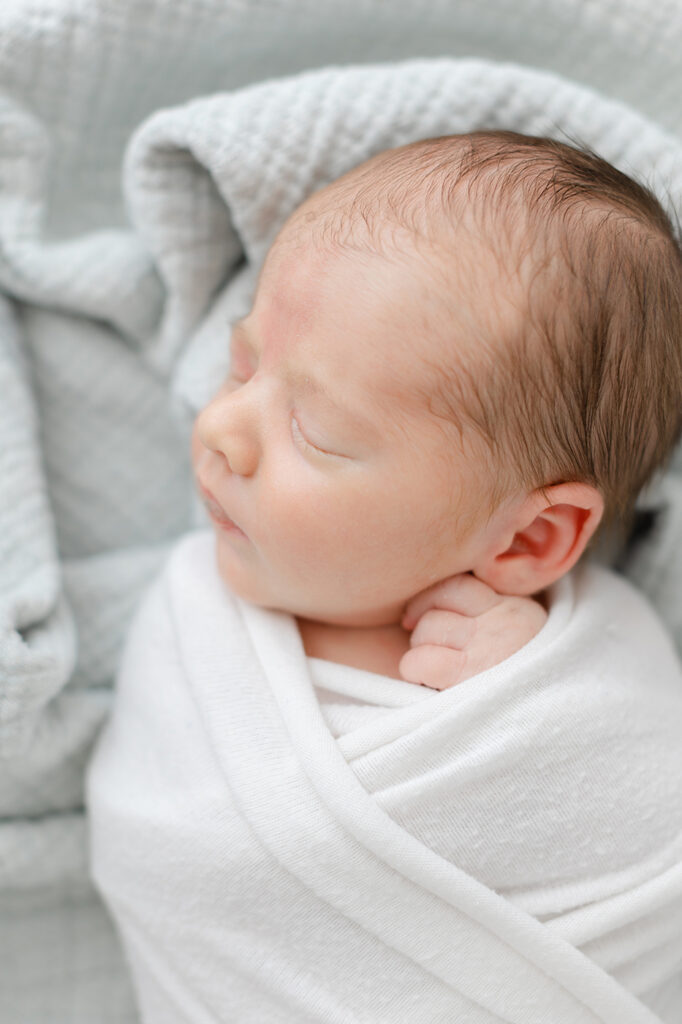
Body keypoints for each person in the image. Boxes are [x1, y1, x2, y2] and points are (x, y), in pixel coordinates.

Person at [87, 131, 682, 1023]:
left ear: (527, 543)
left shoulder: (585, 662)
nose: (222, 428)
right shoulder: (196, 624)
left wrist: (524, 694)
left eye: (317, 434)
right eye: (243, 364)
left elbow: (627, 798)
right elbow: (177, 854)